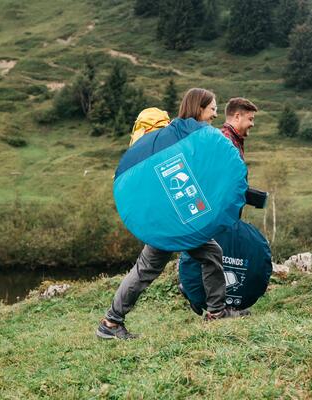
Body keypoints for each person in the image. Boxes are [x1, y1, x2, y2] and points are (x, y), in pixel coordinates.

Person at [96, 88, 249, 340]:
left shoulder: (186, 136)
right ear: (199, 108)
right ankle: (111, 323)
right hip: (173, 221)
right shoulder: (185, 135)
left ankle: (216, 312)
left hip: (180, 217)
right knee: (148, 268)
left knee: (210, 253)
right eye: (212, 109)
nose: (214, 115)